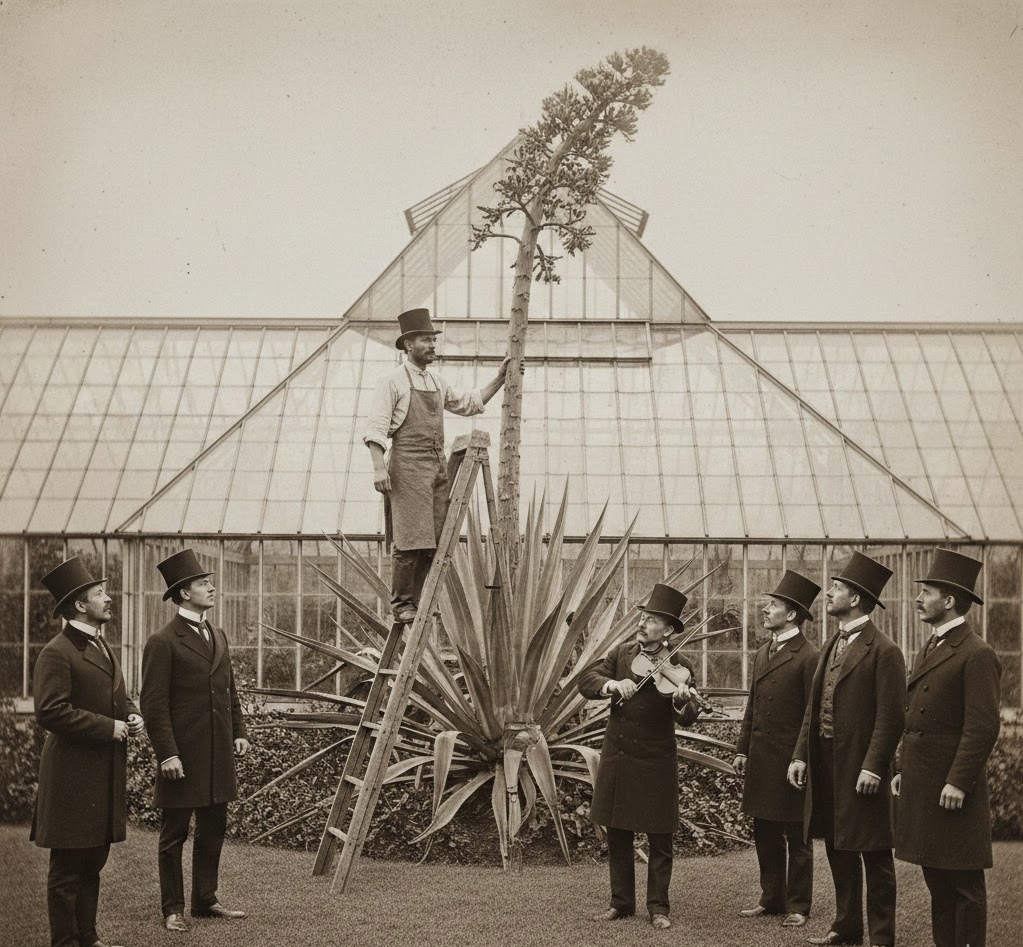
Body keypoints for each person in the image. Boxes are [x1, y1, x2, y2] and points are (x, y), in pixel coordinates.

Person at [363, 307, 512, 623]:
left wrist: (500, 378)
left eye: (433, 340)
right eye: (426, 340)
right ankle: (402, 604)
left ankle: (421, 600)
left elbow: (468, 404)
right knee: (410, 537)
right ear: (409, 345)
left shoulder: (436, 381)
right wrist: (379, 468)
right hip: (406, 467)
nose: (432, 345)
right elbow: (376, 428)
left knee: (435, 538)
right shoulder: (392, 382)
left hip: (435, 467)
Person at [787, 552, 906, 947]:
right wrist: (801, 754)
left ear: (855, 599)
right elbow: (813, 706)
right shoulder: (831, 644)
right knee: (838, 846)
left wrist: (874, 766)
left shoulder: (885, 650)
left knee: (875, 851)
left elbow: (891, 717)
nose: (828, 594)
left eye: (836, 588)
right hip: (826, 762)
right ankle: (846, 926)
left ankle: (882, 937)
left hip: (861, 767)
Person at [32, 557, 144, 947]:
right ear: (80, 604)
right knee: (67, 869)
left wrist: (130, 713)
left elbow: (116, 696)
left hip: (101, 774)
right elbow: (50, 711)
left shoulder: (101, 645)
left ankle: (89, 937)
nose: (108, 599)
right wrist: (107, 727)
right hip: (72, 778)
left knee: (93, 862)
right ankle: (65, 941)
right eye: (99, 594)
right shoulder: (56, 652)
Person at [892, 548, 1001, 947]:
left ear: (950, 600)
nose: (918, 598)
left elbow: (982, 727)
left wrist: (957, 781)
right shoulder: (931, 647)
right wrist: (903, 768)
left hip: (953, 788)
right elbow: (915, 718)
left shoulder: (977, 653)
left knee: (963, 883)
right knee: (937, 878)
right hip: (925, 782)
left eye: (927, 592)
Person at [578, 582, 700, 932]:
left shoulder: (681, 664)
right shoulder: (621, 653)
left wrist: (682, 702)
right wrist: (612, 685)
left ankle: (658, 907)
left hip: (656, 757)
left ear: (668, 631)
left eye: (651, 620)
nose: (643, 624)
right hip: (620, 754)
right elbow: (587, 679)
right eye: (643, 618)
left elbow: (689, 715)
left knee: (660, 836)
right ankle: (621, 903)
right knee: (618, 831)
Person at [140, 549, 249, 933]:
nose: (212, 588)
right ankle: (173, 909)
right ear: (184, 593)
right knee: (174, 834)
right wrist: (167, 754)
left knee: (213, 828)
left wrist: (239, 732)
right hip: (182, 757)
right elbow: (153, 704)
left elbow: (229, 691)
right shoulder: (163, 641)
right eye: (204, 584)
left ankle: (205, 900)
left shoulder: (217, 634)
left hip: (217, 754)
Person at [734, 570, 821, 929]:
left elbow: (811, 715)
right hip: (761, 758)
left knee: (797, 835)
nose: (765, 610)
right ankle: (771, 899)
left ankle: (798, 905)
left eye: (773, 605)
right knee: (765, 831)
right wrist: (742, 750)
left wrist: (800, 757)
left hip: (790, 762)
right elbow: (752, 706)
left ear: (792, 614)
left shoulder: (809, 656)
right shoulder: (762, 653)